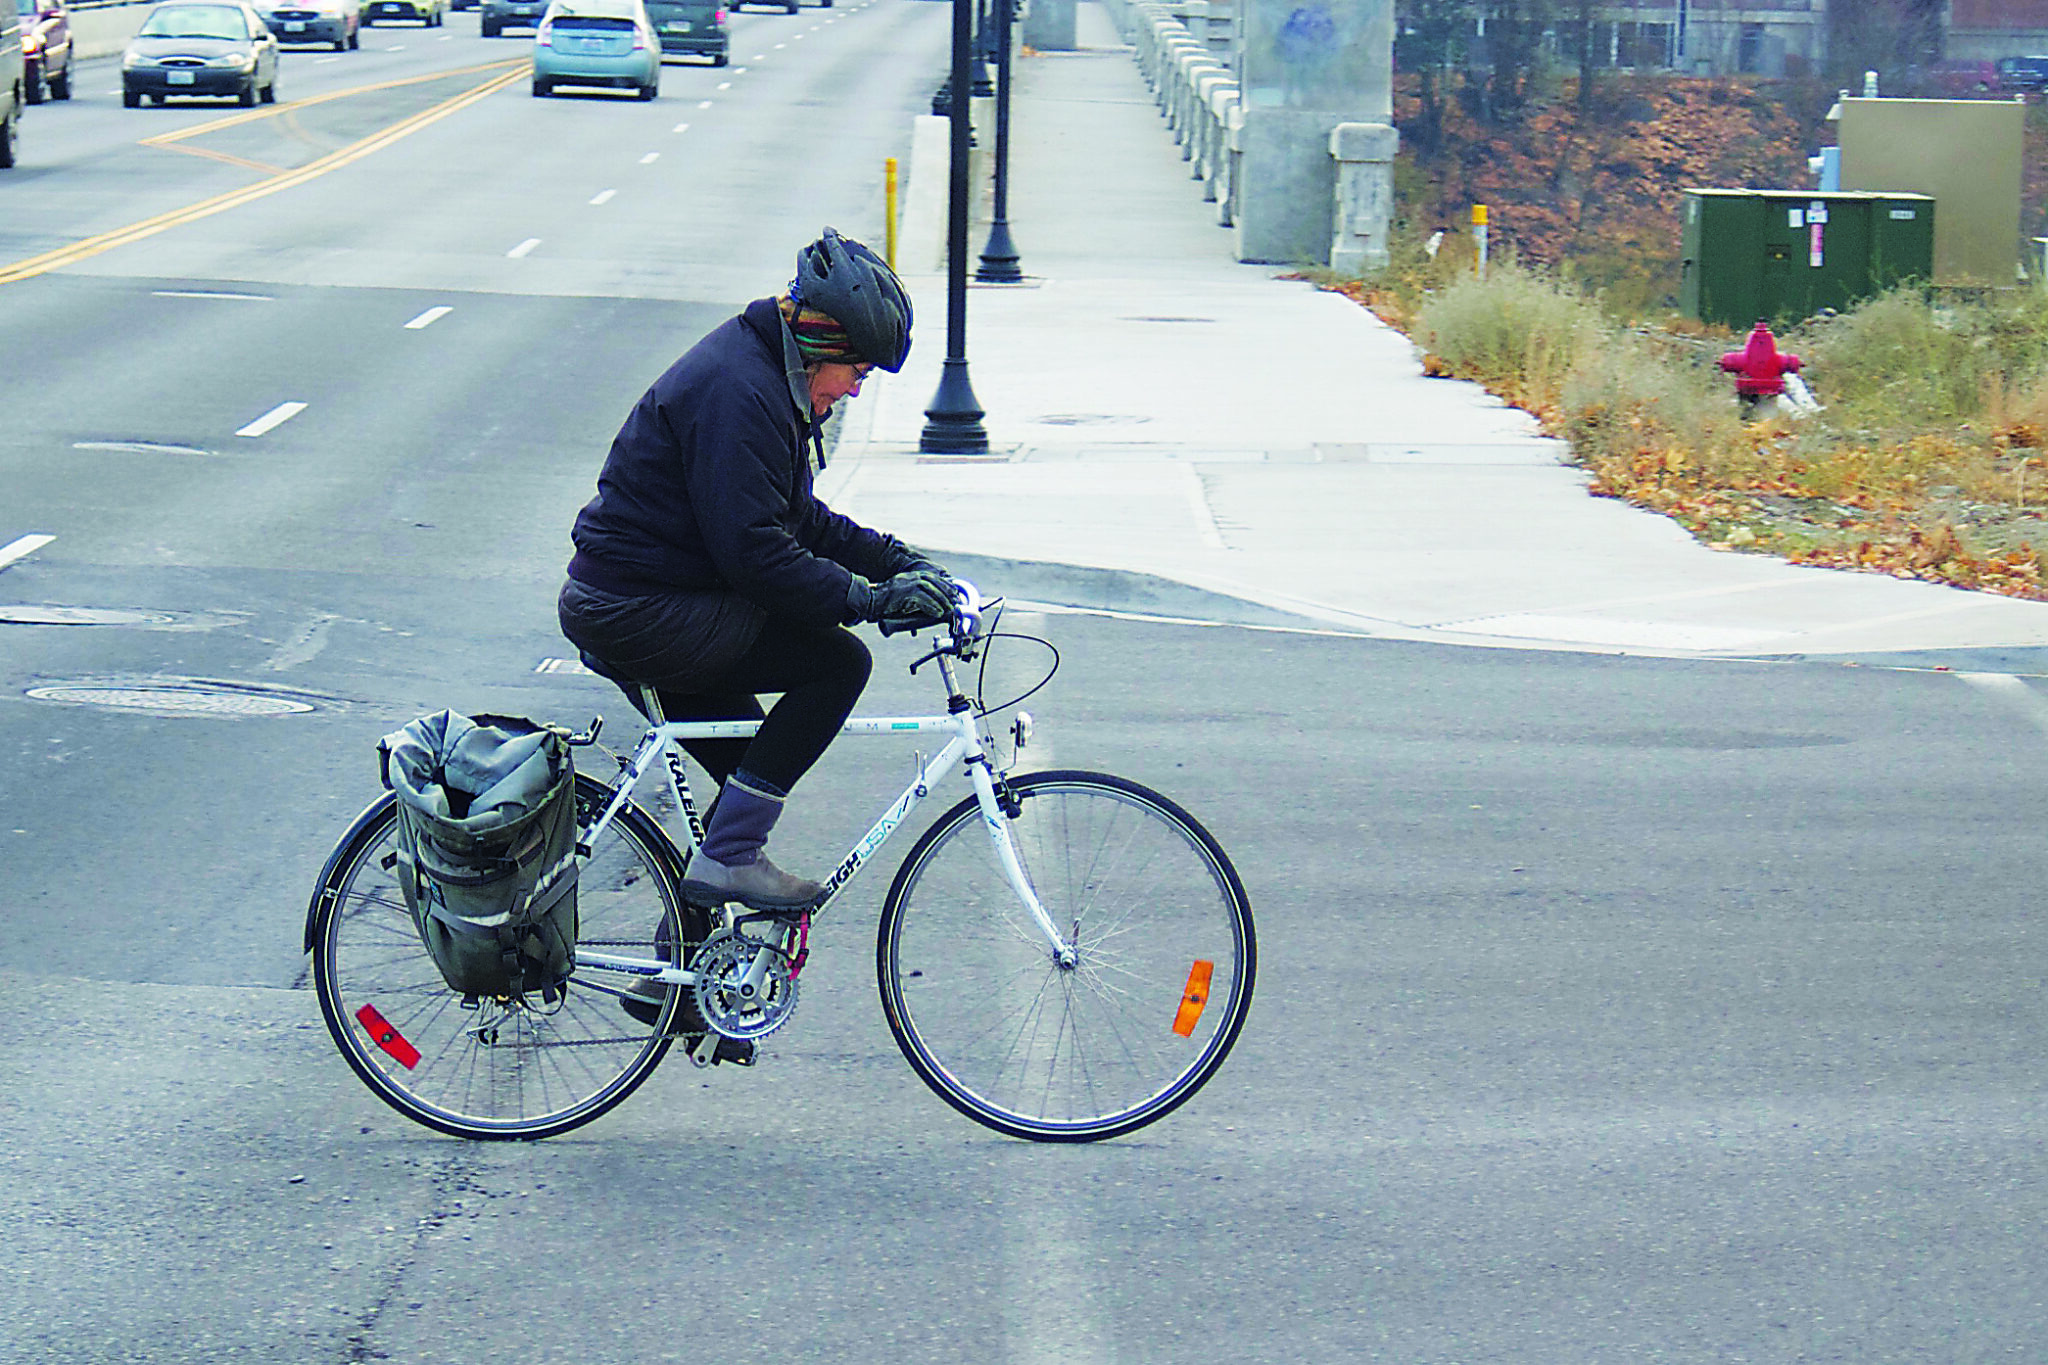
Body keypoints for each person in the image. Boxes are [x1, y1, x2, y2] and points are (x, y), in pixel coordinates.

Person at [558, 228, 956, 918]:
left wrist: (896, 559)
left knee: (750, 779)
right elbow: (757, 555)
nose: (858, 388)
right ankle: (731, 859)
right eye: (858, 371)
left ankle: (680, 990)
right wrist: (869, 598)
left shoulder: (767, 378)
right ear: (824, 347)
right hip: (636, 610)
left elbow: (798, 518)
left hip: (655, 602)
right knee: (835, 664)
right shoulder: (742, 391)